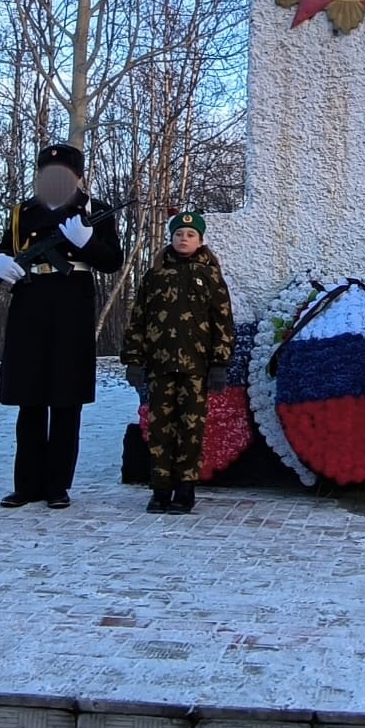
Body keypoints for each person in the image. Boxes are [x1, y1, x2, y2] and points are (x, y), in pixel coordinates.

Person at [0, 142, 123, 509]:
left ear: (77, 178)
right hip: (30, 303)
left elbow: (112, 260)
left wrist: (88, 242)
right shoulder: (22, 213)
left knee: (66, 400)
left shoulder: (94, 212)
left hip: (71, 306)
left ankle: (57, 485)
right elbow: (3, 248)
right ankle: (26, 484)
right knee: (29, 399)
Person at [121, 210, 236, 516]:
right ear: (170, 239)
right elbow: (139, 320)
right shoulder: (155, 275)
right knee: (160, 429)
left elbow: (222, 322)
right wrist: (134, 359)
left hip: (196, 369)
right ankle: (160, 489)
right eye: (178, 235)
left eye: (190, 235)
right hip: (160, 366)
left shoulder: (210, 276)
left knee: (190, 429)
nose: (184, 239)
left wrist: (219, 364)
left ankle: (185, 489)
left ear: (200, 241)